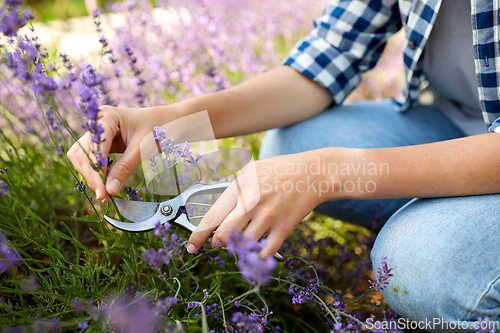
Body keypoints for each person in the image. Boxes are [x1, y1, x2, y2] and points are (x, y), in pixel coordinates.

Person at [68, 0, 500, 330]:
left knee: (415, 263)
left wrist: (329, 172)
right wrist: (171, 121)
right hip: (464, 119)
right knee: (292, 143)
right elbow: (330, 55)